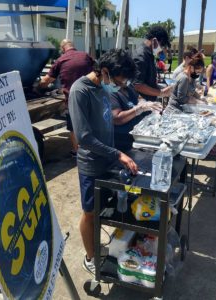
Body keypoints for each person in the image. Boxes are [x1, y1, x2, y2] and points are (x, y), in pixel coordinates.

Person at [68, 49, 138, 274]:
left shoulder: (103, 87)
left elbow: (109, 121)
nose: (121, 85)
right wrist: (118, 154)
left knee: (107, 210)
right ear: (105, 72)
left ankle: (107, 247)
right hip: (91, 165)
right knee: (90, 213)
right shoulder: (80, 91)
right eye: (119, 80)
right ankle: (90, 257)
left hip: (109, 159)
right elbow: (84, 138)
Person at [39, 39, 94, 156]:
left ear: (63, 48)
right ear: (73, 46)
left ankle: (78, 152)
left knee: (74, 126)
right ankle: (93, 148)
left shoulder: (60, 60)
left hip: (73, 98)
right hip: (91, 96)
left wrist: (38, 86)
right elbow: (97, 71)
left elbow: (47, 80)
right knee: (90, 123)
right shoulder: (86, 56)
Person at [110, 84, 162, 151]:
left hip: (138, 137)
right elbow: (117, 119)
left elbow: (139, 98)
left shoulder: (129, 87)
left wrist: (145, 103)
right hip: (122, 140)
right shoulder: (111, 93)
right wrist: (139, 109)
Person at [133, 26, 172, 101]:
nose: (161, 48)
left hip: (149, 102)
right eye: (162, 45)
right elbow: (138, 85)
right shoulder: (141, 55)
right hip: (141, 104)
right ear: (154, 40)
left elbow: (148, 81)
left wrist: (161, 88)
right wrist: (161, 92)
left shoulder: (149, 54)